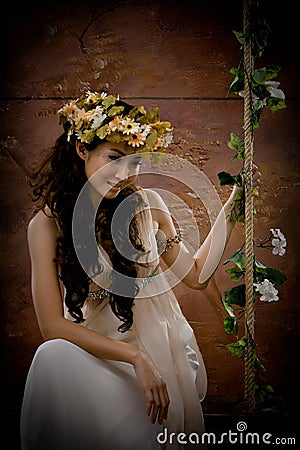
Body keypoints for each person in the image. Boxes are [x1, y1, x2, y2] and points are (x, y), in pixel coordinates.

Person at [20, 91, 258, 450]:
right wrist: (134, 357)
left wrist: (232, 205)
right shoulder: (46, 226)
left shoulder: (148, 205)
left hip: (154, 361)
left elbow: (195, 276)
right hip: (97, 360)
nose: (124, 174)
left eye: (134, 163)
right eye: (114, 157)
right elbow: (51, 327)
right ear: (82, 149)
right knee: (50, 357)